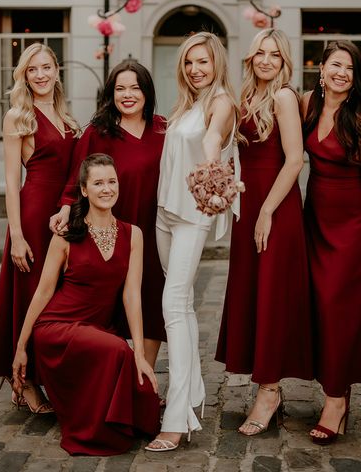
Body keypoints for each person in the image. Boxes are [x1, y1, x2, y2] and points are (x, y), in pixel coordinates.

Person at [12, 153, 160, 456]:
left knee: (145, 397)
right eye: (98, 183)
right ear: (83, 190)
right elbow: (42, 293)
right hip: (58, 328)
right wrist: (20, 347)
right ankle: (97, 430)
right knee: (119, 350)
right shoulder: (65, 236)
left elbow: (131, 295)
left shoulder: (134, 235)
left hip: (98, 330)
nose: (106, 189)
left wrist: (141, 356)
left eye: (111, 181)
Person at [146, 31, 241, 452]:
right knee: (180, 306)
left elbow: (212, 137)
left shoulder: (221, 101)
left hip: (193, 215)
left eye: (202, 61)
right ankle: (195, 394)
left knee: (173, 305)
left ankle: (178, 416)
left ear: (216, 62)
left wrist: (211, 164)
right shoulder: (186, 104)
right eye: (188, 62)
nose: (195, 69)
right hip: (164, 213)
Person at [216, 28, 313, 436]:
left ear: (284, 59)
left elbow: (294, 160)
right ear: (251, 57)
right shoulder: (245, 98)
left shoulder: (284, 97)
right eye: (261, 53)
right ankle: (265, 381)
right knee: (253, 293)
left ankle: (269, 392)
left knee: (272, 296)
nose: (267, 60)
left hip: (276, 208)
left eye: (275, 54)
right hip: (248, 206)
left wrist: (267, 211)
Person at [50, 60, 166, 368]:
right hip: (109, 229)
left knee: (151, 299)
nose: (128, 95)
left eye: (135, 88)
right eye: (120, 88)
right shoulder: (98, 132)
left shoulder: (163, 129)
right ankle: (107, 370)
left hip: (153, 229)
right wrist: (65, 208)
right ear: (111, 93)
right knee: (108, 302)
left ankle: (145, 375)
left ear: (147, 92)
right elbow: (76, 178)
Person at [0, 43, 79, 412]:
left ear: (57, 70)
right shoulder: (17, 116)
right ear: (23, 76)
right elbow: (11, 182)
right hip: (34, 211)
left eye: (46, 67)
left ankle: (50, 375)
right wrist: (18, 236)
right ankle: (23, 381)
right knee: (29, 296)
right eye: (32, 70)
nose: (40, 75)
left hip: (65, 214)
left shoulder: (64, 114)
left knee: (56, 296)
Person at [301, 40, 361, 445]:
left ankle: (335, 401)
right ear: (321, 69)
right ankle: (339, 387)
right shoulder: (306, 104)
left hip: (353, 222)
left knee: (337, 307)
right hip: (314, 216)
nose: (341, 73)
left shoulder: (359, 115)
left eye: (350, 68)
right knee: (319, 307)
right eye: (335, 65)